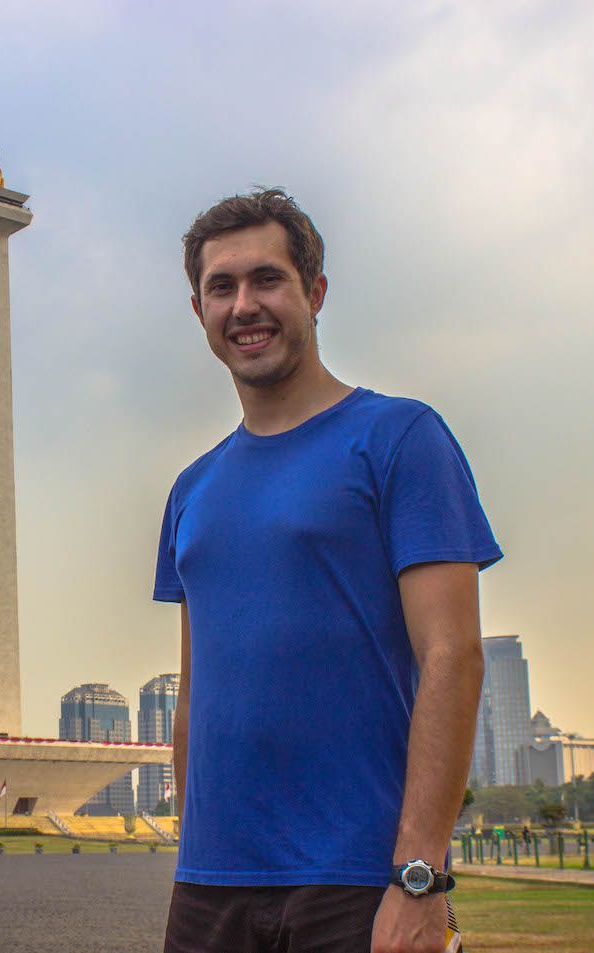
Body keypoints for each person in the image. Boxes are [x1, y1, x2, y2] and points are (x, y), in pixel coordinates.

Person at [155, 189, 501, 953]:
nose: (245, 305)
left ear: (314, 293)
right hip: (210, 890)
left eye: (267, 279)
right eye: (222, 287)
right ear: (199, 310)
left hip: (356, 880)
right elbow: (194, 691)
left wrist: (420, 877)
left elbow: (453, 655)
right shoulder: (191, 490)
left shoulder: (400, 438)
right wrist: (191, 846)